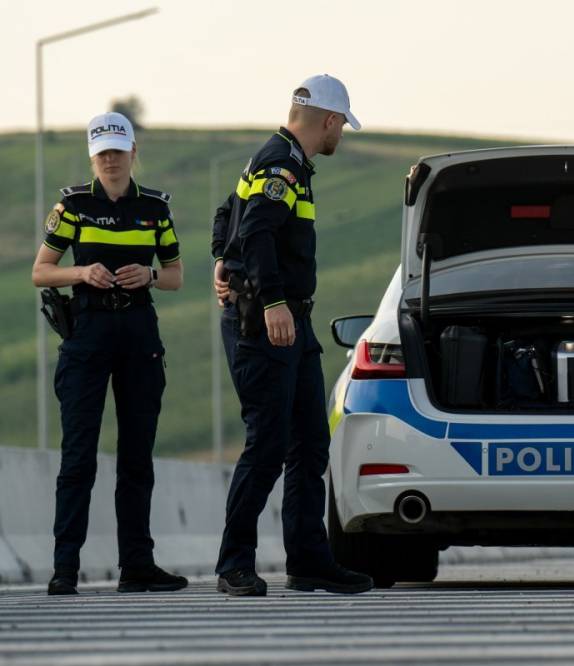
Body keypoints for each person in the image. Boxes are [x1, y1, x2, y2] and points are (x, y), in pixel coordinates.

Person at [213, 75, 373, 596]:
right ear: (328, 120)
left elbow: (227, 215)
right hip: (266, 323)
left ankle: (308, 560)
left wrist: (221, 257)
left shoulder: (282, 161)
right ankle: (233, 563)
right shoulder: (280, 163)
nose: (341, 135)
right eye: (341, 126)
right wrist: (273, 300)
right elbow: (256, 229)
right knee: (269, 443)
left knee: (309, 442)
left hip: (291, 324)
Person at [31, 112, 187, 595]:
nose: (111, 160)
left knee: (137, 454)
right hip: (89, 329)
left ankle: (137, 565)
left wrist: (152, 277)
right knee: (79, 454)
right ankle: (65, 568)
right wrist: (82, 274)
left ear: (133, 152)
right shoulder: (73, 205)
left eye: (118, 151)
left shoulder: (156, 209)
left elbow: (176, 274)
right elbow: (41, 270)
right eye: (103, 153)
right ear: (92, 157)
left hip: (139, 329)